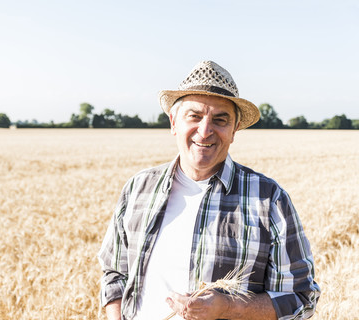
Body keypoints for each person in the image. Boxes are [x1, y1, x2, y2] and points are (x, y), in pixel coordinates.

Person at [98, 60, 320, 320]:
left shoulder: (268, 199)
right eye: (194, 116)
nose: (204, 131)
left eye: (220, 119)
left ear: (234, 130)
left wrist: (228, 307)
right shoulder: (138, 188)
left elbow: (301, 299)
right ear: (173, 122)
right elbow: (114, 273)